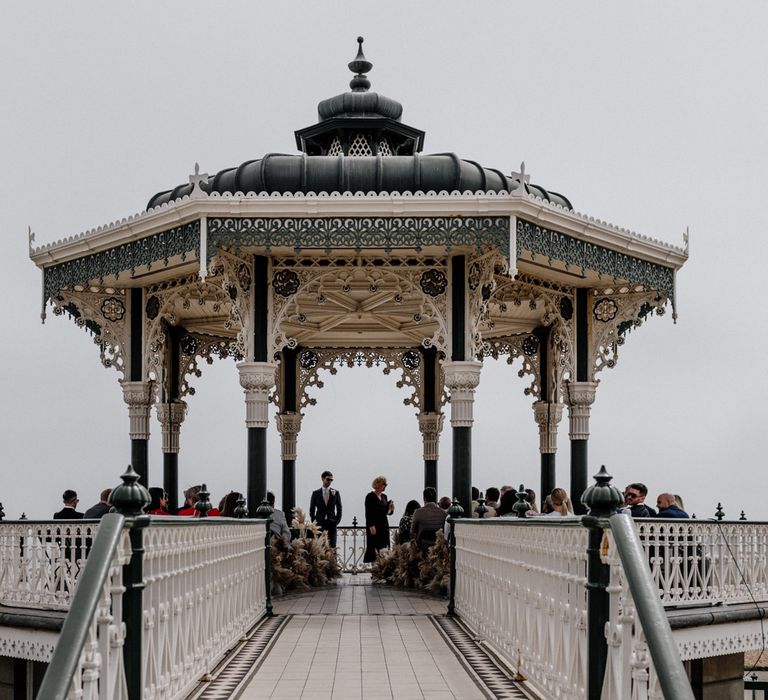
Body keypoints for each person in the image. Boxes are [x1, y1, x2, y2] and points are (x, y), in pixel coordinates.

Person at [363, 475, 394, 562]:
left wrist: (391, 509)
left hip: (384, 526)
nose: (385, 486)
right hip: (375, 526)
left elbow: (387, 513)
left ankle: (382, 568)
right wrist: (371, 526)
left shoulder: (384, 497)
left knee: (384, 548)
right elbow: (368, 513)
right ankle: (374, 570)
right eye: (384, 484)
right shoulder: (370, 496)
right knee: (374, 548)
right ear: (378, 484)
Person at [309, 470, 342, 547]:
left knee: (332, 546)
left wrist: (336, 521)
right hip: (319, 523)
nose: (329, 481)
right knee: (319, 547)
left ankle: (332, 559)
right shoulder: (316, 493)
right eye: (328, 479)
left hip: (332, 523)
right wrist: (314, 522)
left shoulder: (335, 492)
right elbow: (312, 509)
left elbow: (339, 508)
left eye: (331, 480)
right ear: (322, 479)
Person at [411, 487, 447, 553]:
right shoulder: (444, 513)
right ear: (435, 498)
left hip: (422, 547)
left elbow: (413, 531)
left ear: (424, 498)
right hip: (438, 547)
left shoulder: (418, 512)